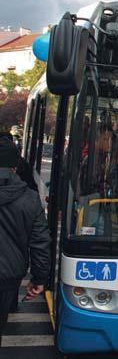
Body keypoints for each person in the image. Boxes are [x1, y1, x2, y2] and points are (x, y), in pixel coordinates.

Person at [0, 136, 51, 347]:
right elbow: (40, 243)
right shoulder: (29, 198)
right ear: (15, 167)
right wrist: (39, 279)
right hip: (8, 276)